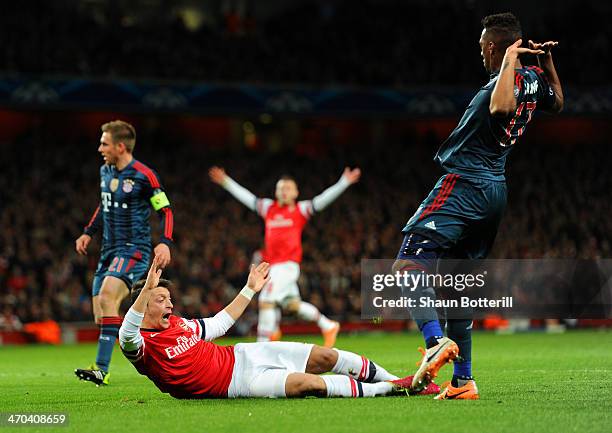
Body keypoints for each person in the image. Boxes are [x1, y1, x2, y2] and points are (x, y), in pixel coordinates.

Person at [391, 12, 563, 399]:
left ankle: (434, 341)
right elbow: (558, 102)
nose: (481, 54)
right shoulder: (532, 80)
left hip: (467, 182)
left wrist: (507, 62)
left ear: (492, 47)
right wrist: (547, 66)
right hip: (495, 191)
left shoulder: (500, 85)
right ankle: (462, 380)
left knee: (406, 264)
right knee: (456, 284)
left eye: (483, 48)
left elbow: (501, 108)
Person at [119, 255, 438, 399]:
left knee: (326, 357)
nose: (170, 305)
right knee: (308, 384)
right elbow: (127, 333)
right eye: (161, 299)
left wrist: (250, 289)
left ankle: (400, 380)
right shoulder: (141, 346)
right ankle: (397, 388)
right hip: (239, 385)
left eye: (169, 298)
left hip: (244, 355)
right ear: (144, 303)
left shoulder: (179, 324)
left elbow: (219, 323)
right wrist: (147, 288)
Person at [209, 166, 361, 347]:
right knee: (292, 305)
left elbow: (322, 200)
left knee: (266, 299)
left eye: (288, 188)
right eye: (280, 188)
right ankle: (328, 325)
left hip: (287, 265)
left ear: (296, 192)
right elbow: (247, 197)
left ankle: (262, 346)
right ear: (276, 192)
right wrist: (226, 181)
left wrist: (343, 182)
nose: (284, 191)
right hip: (273, 265)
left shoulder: (300, 210)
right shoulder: (268, 208)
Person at [74, 120, 174, 386]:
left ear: (120, 146)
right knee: (102, 315)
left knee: (108, 297)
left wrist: (165, 241)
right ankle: (155, 344)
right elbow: (103, 204)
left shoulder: (144, 175)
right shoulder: (105, 171)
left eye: (104, 143)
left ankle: (101, 369)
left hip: (134, 249)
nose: (99, 148)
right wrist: (88, 232)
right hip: (108, 250)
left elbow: (165, 210)